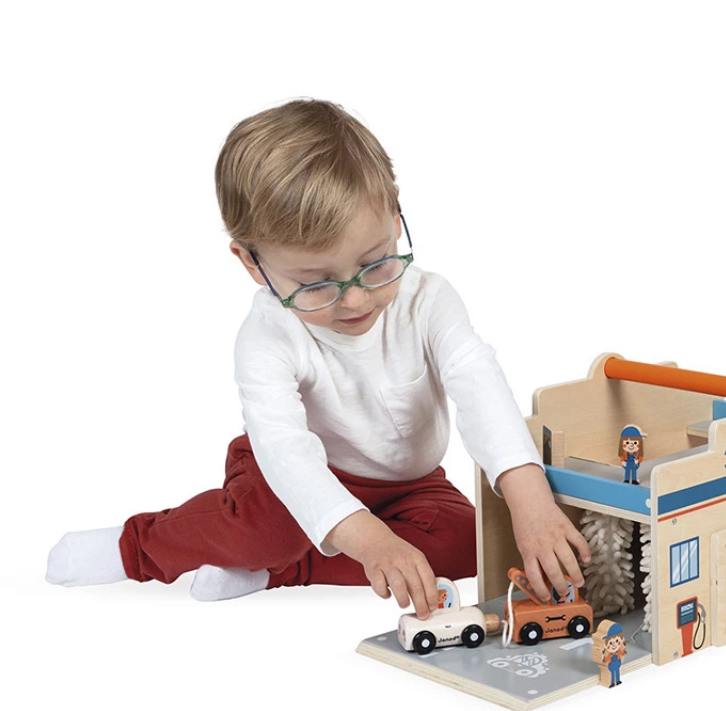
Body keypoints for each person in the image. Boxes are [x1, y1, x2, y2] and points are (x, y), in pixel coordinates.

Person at [46, 99, 590, 618]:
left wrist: (530, 500)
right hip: (283, 474)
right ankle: (136, 548)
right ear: (253, 264)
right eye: (317, 284)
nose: (354, 299)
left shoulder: (430, 299)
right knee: (264, 530)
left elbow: (478, 385)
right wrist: (370, 539)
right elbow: (287, 453)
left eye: (375, 264)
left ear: (396, 213)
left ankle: (279, 571)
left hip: (410, 484)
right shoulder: (267, 338)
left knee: (471, 546)